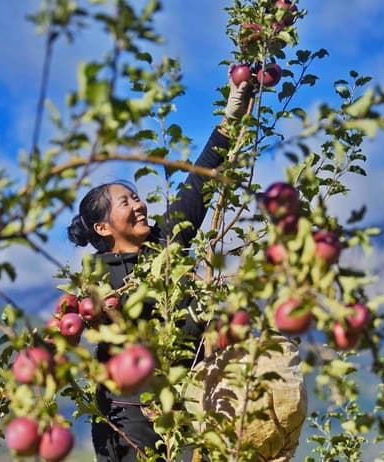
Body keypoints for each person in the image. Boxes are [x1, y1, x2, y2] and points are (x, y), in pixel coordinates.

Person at [66, 71, 252, 462]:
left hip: (190, 402)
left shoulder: (168, 238)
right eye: (125, 202)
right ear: (103, 227)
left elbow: (202, 179)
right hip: (128, 414)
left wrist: (232, 113)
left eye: (136, 197)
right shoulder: (97, 276)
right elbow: (95, 326)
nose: (138, 205)